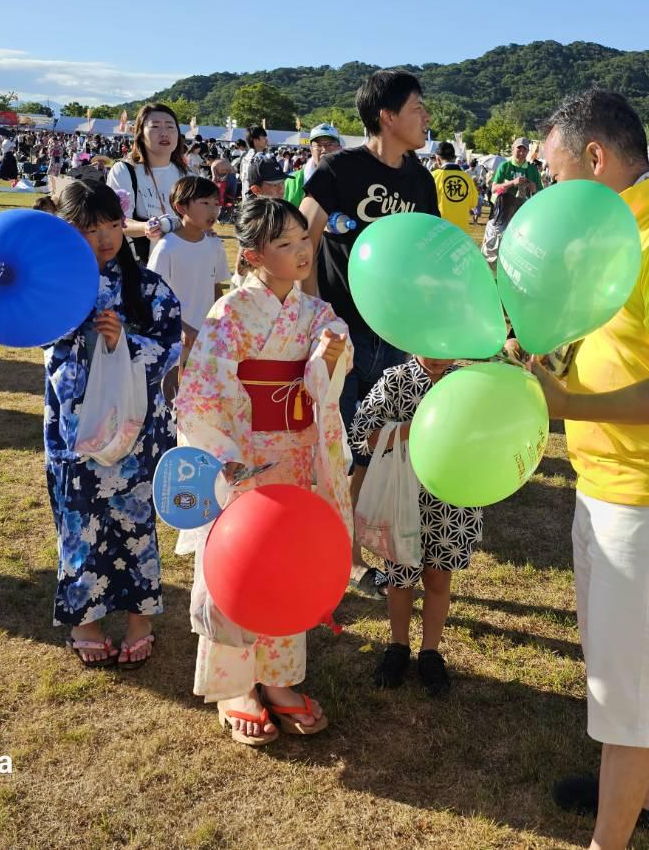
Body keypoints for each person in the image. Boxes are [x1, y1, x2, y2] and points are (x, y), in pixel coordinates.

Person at [529, 91, 649, 845]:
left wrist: (563, 403)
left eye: (553, 174)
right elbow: (616, 349)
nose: (548, 193)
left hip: (643, 502)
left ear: (595, 159)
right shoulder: (621, 236)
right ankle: (637, 793)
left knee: (627, 685)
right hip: (608, 485)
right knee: (613, 661)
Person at [172, 197, 352, 745]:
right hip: (242, 455)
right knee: (240, 561)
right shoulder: (229, 313)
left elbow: (326, 382)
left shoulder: (315, 314)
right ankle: (235, 684)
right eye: (285, 244)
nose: (301, 252)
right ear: (252, 256)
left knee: (287, 563)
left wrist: (327, 358)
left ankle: (277, 678)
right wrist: (229, 462)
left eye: (303, 240)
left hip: (297, 453)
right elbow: (199, 395)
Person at [300, 69, 439, 599]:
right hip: (341, 332)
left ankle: (360, 543)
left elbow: (427, 253)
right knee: (336, 442)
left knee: (379, 442)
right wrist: (317, 315)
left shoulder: (421, 180)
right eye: (417, 107)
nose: (426, 117)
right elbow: (306, 236)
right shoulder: (339, 170)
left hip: (396, 331)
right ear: (386, 116)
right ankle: (340, 553)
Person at [44, 180, 182, 669]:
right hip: (76, 421)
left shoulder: (146, 286)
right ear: (66, 233)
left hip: (132, 424)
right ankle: (85, 618)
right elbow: (37, 338)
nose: (103, 238)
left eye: (111, 226)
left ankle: (140, 618)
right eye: (87, 229)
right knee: (79, 517)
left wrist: (125, 342)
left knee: (134, 518)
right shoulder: (56, 287)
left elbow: (170, 346)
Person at [350, 354, 480, 697]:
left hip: (450, 498)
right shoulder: (395, 380)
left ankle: (430, 652)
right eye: (429, 347)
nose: (438, 357)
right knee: (400, 575)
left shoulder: (464, 383)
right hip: (402, 498)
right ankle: (398, 646)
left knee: (438, 575)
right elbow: (363, 433)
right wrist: (414, 427)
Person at [147, 175, 230, 360]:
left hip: (206, 337)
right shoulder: (166, 248)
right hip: (173, 340)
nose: (214, 210)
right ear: (181, 207)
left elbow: (216, 287)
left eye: (216, 204)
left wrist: (223, 321)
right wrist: (182, 327)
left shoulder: (214, 245)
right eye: (205, 203)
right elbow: (154, 296)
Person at [108, 103, 187, 263]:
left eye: (170, 127)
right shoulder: (124, 170)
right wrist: (147, 228)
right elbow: (118, 222)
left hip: (180, 261)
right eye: (155, 126)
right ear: (140, 134)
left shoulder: (187, 175)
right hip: (140, 263)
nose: (164, 133)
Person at [482, 137, 544, 266]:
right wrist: (512, 183)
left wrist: (533, 187)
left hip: (523, 213)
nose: (521, 153)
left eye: (524, 150)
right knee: (496, 245)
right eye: (518, 149)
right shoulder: (505, 166)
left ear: (528, 152)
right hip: (503, 212)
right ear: (513, 149)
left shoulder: (532, 170)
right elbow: (494, 188)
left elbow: (540, 193)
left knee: (518, 245)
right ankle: (493, 269)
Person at [284, 122, 342, 206]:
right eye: (318, 145)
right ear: (311, 150)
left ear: (339, 148)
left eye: (329, 144)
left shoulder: (352, 179)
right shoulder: (293, 181)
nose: (324, 150)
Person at [431, 141, 478, 233]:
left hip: (438, 229)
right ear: (454, 157)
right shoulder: (467, 178)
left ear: (438, 159)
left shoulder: (434, 176)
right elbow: (473, 203)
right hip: (460, 232)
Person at [238, 125, 269, 196]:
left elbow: (241, 177)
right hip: (257, 198)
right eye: (263, 137)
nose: (266, 140)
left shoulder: (245, 156)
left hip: (247, 196)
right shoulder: (259, 158)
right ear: (255, 141)